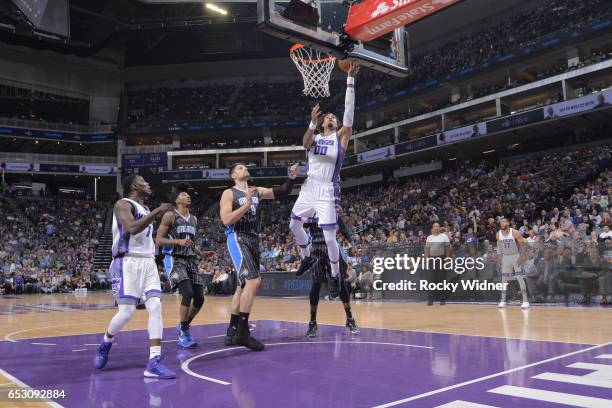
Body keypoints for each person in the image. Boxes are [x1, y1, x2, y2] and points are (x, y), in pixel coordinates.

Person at [94, 175, 176, 379]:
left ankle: (154, 362)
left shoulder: (147, 209)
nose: (148, 183)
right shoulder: (122, 204)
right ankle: (106, 343)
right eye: (144, 180)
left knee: (156, 306)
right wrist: (159, 211)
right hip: (126, 262)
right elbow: (131, 229)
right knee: (126, 313)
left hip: (148, 262)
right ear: (134, 185)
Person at [290, 61, 359, 280]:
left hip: (328, 189)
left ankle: (337, 275)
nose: (331, 117)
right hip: (309, 187)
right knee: (293, 224)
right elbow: (304, 143)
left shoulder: (340, 137)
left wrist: (350, 80)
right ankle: (306, 257)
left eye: (334, 117)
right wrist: (311, 123)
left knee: (330, 239)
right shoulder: (315, 136)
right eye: (328, 116)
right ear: (322, 123)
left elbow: (349, 114)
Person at [220, 163, 299, 351]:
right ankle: (243, 333)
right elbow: (226, 220)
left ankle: (232, 329)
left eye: (245, 166)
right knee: (254, 281)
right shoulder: (229, 193)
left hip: (254, 239)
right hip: (238, 237)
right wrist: (246, 205)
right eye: (239, 167)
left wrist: (291, 177)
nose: (244, 168)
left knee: (243, 285)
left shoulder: (256, 191)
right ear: (233, 175)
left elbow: (282, 191)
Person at [156, 182, 213, 348]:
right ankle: (183, 332)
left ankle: (184, 325)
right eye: (183, 194)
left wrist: (201, 253)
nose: (187, 196)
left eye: (188, 194)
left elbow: (190, 242)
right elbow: (159, 240)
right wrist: (177, 241)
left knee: (200, 298)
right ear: (176, 200)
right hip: (174, 258)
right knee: (187, 292)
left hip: (190, 260)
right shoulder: (170, 216)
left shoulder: (194, 218)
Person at [304, 215, 358, 338]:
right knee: (316, 284)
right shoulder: (310, 207)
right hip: (316, 248)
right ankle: (312, 323)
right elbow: (304, 225)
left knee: (341, 281)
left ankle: (350, 319)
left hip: (332, 247)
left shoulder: (331, 206)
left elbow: (342, 227)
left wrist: (351, 242)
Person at [496, 218, 529, 309]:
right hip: (506, 257)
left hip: (515, 255)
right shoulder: (498, 234)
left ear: (508, 223)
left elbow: (523, 244)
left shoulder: (514, 232)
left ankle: (525, 301)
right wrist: (499, 260)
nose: (502, 224)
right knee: (504, 279)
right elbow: (499, 249)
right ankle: (503, 301)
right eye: (501, 222)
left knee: (519, 277)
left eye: (504, 222)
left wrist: (521, 257)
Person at [424, 223, 451, 305]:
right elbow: (427, 249)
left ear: (439, 228)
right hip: (432, 260)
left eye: (437, 227)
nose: (436, 228)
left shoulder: (444, 237)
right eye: (434, 227)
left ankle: (442, 300)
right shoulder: (429, 238)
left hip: (441, 259)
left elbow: (447, 249)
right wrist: (426, 260)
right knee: (431, 280)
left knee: (441, 280)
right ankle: (430, 300)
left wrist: (447, 261)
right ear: (432, 228)